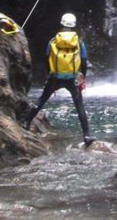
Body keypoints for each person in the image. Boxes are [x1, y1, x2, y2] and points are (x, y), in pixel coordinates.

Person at [22, 12, 94, 147]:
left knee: (41, 100)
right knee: (80, 107)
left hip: (55, 78)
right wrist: (81, 77)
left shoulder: (53, 41)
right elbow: (83, 62)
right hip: (73, 78)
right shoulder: (79, 42)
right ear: (74, 26)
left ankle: (26, 122)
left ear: (61, 24)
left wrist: (49, 74)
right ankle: (87, 135)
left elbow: (47, 59)